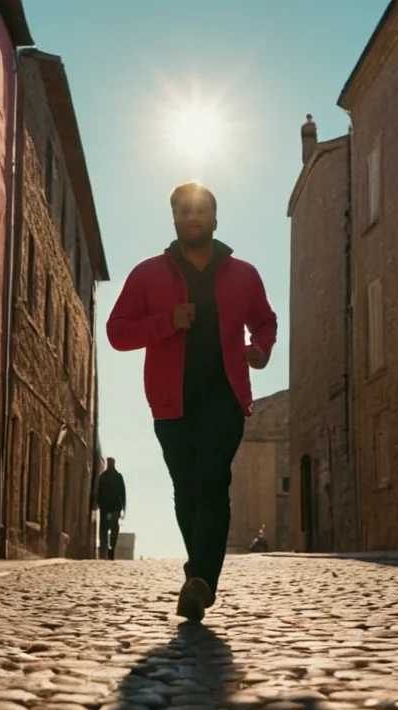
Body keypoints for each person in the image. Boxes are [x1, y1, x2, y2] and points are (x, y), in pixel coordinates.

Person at [106, 181, 277, 622]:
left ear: (215, 220)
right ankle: (198, 574)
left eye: (201, 210)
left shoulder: (244, 274)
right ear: (175, 219)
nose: (193, 217)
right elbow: (117, 332)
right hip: (170, 400)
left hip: (225, 394)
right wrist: (166, 322)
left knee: (211, 481)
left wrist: (261, 349)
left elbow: (265, 321)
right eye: (184, 211)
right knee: (186, 490)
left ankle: (201, 581)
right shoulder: (148, 274)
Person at [97, 457, 126, 560]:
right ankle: (111, 550)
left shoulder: (103, 477)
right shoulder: (117, 477)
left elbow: (98, 493)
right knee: (114, 530)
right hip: (114, 509)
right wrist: (123, 508)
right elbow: (123, 494)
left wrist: (99, 504)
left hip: (106, 509)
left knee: (104, 529)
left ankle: (105, 551)